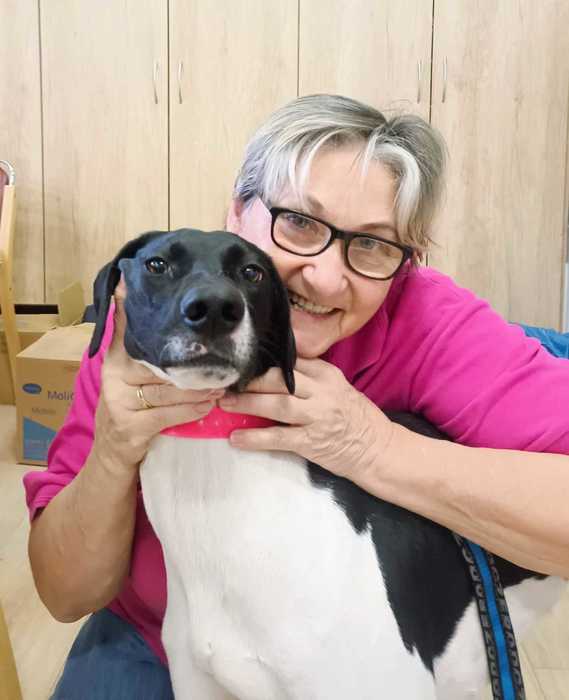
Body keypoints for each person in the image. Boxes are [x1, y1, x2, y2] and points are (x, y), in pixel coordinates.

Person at [24, 94, 569, 699]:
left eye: (373, 244)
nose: (327, 278)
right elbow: (64, 593)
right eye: (300, 223)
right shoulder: (148, 329)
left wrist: (373, 447)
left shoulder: (429, 323)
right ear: (238, 212)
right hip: (157, 627)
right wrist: (112, 451)